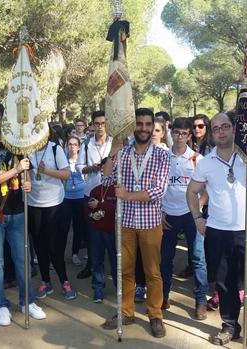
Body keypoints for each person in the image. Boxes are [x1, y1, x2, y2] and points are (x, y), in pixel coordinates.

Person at [186, 113, 247, 348]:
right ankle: (230, 326)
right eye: (215, 128)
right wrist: (197, 216)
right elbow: (191, 191)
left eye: (225, 126)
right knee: (225, 284)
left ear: (234, 128)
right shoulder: (206, 162)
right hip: (218, 231)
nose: (220, 131)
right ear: (211, 132)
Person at [0, 100, 46, 326]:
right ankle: (1, 305)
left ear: (4, 121)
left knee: (23, 259)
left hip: (17, 210)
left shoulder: (18, 146)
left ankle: (27, 302)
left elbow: (27, 176)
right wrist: (15, 170)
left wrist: (27, 183)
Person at [100, 108, 170, 338]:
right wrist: (112, 152)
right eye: (139, 124)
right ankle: (126, 311)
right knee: (125, 269)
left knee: (153, 271)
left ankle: (155, 315)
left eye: (147, 124)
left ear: (153, 127)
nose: (143, 128)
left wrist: (128, 194)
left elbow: (158, 190)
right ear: (134, 126)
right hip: (126, 221)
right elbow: (106, 178)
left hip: (150, 222)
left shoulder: (161, 154)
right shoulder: (123, 152)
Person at [161, 117, 209, 319]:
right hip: (167, 214)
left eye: (184, 133)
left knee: (198, 258)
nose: (180, 137)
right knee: (165, 259)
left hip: (191, 216)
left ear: (190, 136)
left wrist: (197, 207)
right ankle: (164, 296)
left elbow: (208, 189)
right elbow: (158, 186)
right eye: (176, 133)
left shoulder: (198, 159)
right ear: (171, 133)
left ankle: (200, 300)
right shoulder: (162, 157)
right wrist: (160, 211)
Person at [28, 135, 77, 301]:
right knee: (39, 246)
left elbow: (66, 174)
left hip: (54, 204)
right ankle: (45, 281)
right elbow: (24, 173)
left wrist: (46, 171)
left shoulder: (55, 149)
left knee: (55, 247)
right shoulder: (26, 150)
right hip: (33, 204)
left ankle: (65, 281)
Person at [76, 111, 113, 279]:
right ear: (92, 125)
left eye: (103, 123)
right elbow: (79, 168)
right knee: (92, 231)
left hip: (110, 193)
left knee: (111, 232)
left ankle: (113, 269)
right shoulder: (85, 145)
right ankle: (91, 265)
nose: (100, 127)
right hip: (90, 192)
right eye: (97, 124)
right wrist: (95, 168)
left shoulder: (114, 144)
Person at [86, 174, 117, 303]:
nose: (105, 174)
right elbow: (87, 208)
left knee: (115, 261)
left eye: (108, 171)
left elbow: (118, 209)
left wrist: (100, 205)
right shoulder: (95, 190)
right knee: (96, 260)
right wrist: (92, 215)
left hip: (113, 231)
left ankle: (120, 288)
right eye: (103, 171)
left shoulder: (117, 189)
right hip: (97, 231)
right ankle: (98, 288)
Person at [63, 136, 88, 266]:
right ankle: (59, 254)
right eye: (70, 144)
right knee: (64, 228)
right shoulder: (63, 161)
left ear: (79, 147)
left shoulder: (83, 161)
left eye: (75, 144)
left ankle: (75, 253)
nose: (72, 147)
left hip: (80, 198)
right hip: (65, 198)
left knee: (78, 228)